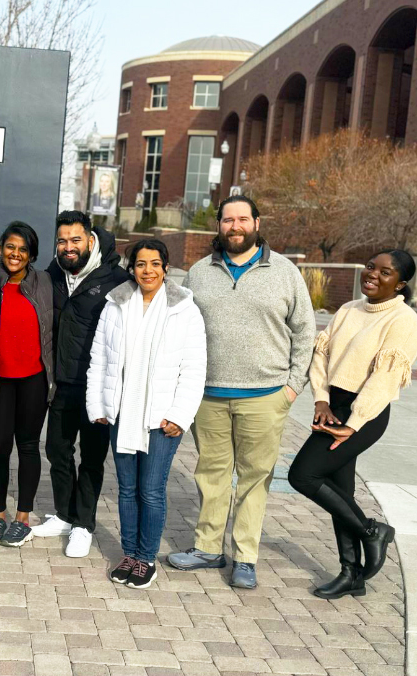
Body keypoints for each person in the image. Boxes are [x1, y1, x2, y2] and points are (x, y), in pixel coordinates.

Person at [166, 195, 315, 589]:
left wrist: (292, 386)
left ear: (257, 222)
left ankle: (245, 557)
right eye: (228, 220)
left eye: (243, 219)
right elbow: (180, 330)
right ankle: (207, 548)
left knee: (254, 478)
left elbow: (305, 331)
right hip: (208, 395)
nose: (235, 227)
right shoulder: (199, 273)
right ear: (219, 225)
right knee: (212, 475)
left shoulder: (284, 272)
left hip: (266, 396)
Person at [289, 250, 417, 599]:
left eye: (385, 272)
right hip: (333, 407)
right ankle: (351, 573)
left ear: (401, 283)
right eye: (371, 267)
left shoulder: (403, 319)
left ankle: (371, 530)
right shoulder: (348, 310)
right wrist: (321, 399)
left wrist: (354, 422)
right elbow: (322, 354)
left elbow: (385, 378)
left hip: (366, 414)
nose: (373, 274)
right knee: (340, 490)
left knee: (302, 475)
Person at [87, 240, 206, 589]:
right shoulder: (115, 305)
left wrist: (180, 415)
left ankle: (146, 558)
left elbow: (194, 367)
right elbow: (100, 360)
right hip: (123, 413)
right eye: (141, 264)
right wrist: (99, 405)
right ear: (132, 268)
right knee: (126, 488)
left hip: (161, 418)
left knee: (151, 489)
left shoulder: (185, 308)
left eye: (155, 263)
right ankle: (129, 553)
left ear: (166, 268)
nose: (148, 270)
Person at [33, 210, 131, 558]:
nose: (68, 247)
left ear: (90, 240)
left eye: (75, 240)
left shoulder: (118, 280)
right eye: (62, 240)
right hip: (61, 383)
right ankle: (64, 513)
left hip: (98, 387)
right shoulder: (52, 275)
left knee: (91, 458)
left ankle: (84, 525)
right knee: (57, 451)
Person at [0, 221, 54, 548]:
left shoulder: (44, 283)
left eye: (23, 249)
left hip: (33, 380)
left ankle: (23, 517)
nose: (15, 253)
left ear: (31, 254)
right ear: (1, 249)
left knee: (27, 446)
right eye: (10, 247)